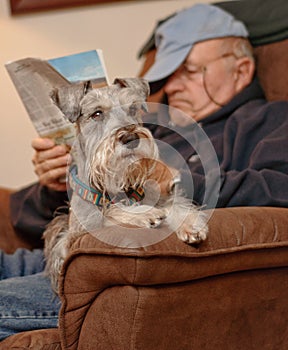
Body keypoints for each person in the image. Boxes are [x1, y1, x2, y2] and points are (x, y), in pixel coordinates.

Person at [1, 3, 288, 342]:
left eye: (190, 70)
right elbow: (24, 218)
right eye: (166, 75)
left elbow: (279, 188)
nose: (174, 86)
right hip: (59, 251)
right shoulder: (151, 129)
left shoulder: (267, 120)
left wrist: (168, 178)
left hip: (115, 269)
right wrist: (54, 183)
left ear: (240, 70)